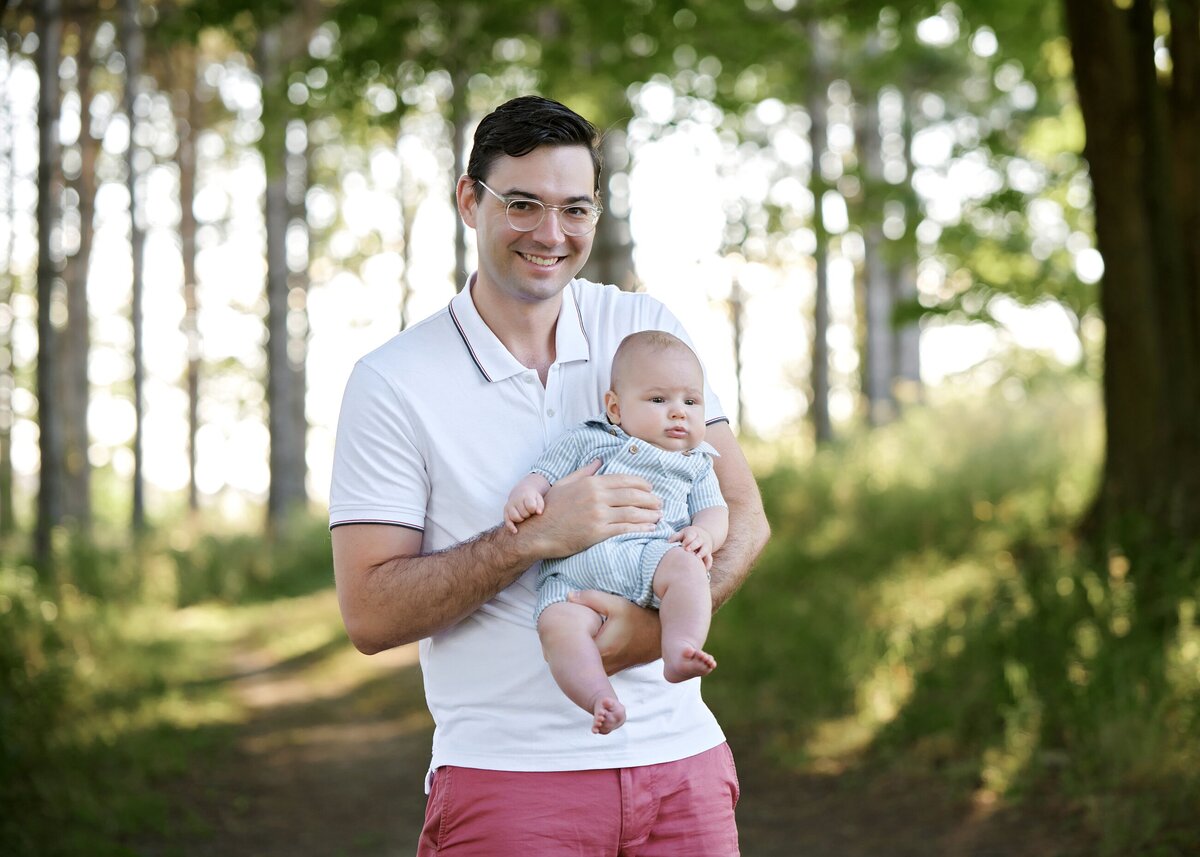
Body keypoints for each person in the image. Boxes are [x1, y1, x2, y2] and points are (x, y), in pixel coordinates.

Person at [329, 94, 770, 856]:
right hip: (511, 780)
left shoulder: (641, 329)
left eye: (576, 209)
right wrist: (530, 541)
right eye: (524, 204)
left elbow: (741, 513)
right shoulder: (393, 380)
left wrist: (651, 633)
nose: (551, 234)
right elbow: (370, 613)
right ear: (470, 200)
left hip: (681, 766)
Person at [505, 330, 727, 735]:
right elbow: (544, 474)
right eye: (659, 400)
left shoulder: (696, 462)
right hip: (571, 574)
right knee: (558, 627)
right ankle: (598, 697)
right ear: (615, 408)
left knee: (689, 570)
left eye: (691, 402)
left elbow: (715, 510)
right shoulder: (587, 438)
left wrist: (705, 536)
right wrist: (526, 493)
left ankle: (680, 648)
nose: (678, 412)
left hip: (649, 556)